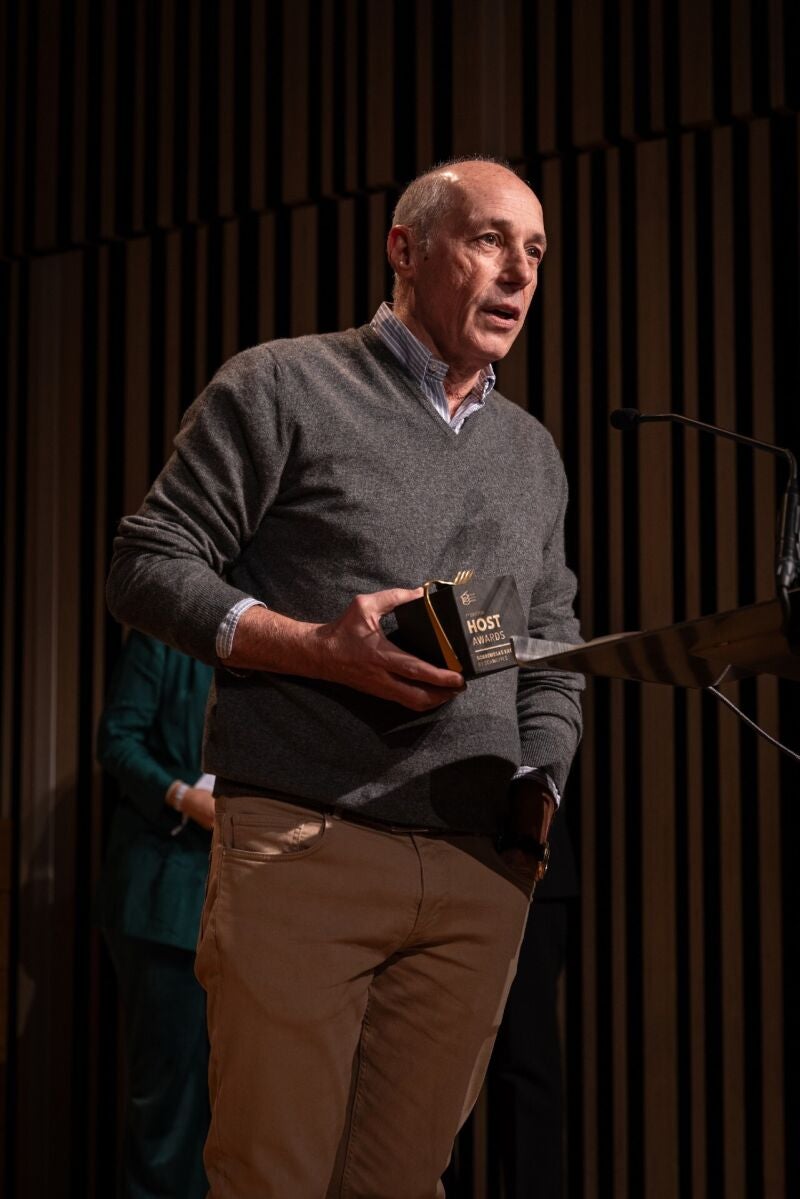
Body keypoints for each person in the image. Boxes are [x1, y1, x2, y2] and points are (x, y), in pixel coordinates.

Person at [106, 156, 583, 1199]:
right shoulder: (281, 383)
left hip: (475, 869)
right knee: (272, 1179)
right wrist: (315, 645)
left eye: (535, 253)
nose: (517, 272)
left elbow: (550, 640)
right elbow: (144, 565)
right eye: (488, 239)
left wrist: (539, 786)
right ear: (404, 250)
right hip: (306, 842)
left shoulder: (532, 452)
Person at [96, 629, 215, 1199]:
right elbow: (118, 740)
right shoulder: (162, 639)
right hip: (165, 899)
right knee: (169, 1109)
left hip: (251, 909)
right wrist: (183, 795)